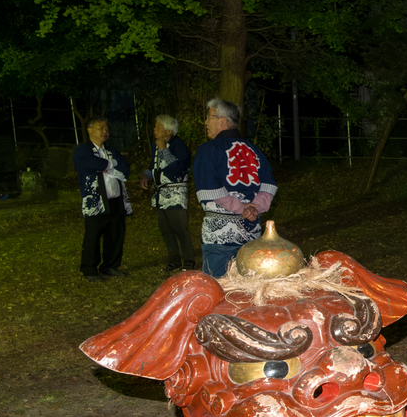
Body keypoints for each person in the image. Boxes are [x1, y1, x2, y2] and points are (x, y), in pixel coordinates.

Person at [192, 98, 277, 277]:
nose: (206, 122)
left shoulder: (208, 150)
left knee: (218, 288)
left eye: (209, 116)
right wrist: (255, 207)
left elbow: (209, 188)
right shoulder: (254, 149)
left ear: (222, 120)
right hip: (251, 234)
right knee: (248, 288)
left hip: (220, 238)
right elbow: (269, 184)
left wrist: (240, 207)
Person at [73, 118, 131, 281]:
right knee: (93, 234)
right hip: (96, 200)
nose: (105, 131)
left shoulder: (111, 150)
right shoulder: (83, 150)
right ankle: (89, 269)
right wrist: (110, 164)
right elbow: (91, 164)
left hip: (115, 199)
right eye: (101, 128)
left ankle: (110, 266)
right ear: (89, 130)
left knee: (115, 233)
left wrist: (108, 164)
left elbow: (125, 166)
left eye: (107, 128)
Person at [140, 115, 195, 272]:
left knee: (179, 227)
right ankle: (174, 259)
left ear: (169, 130)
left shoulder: (178, 145)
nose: (154, 129)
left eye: (158, 127)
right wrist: (146, 176)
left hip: (175, 193)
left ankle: (189, 260)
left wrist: (164, 149)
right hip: (160, 194)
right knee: (165, 228)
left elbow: (177, 168)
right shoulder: (155, 146)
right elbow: (154, 167)